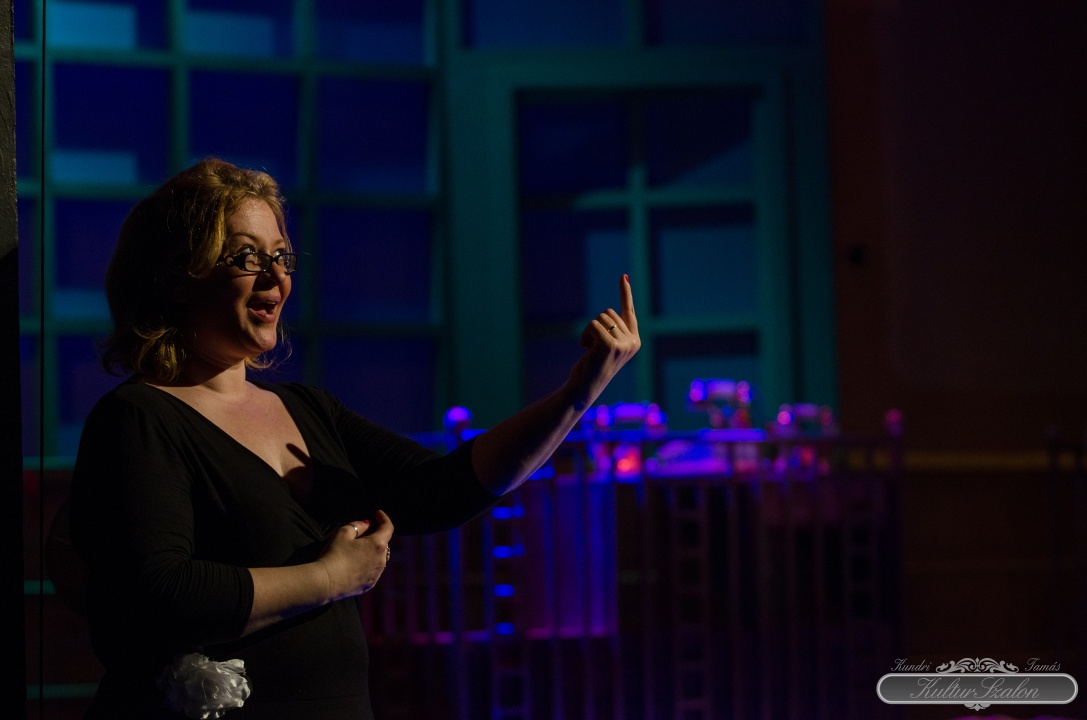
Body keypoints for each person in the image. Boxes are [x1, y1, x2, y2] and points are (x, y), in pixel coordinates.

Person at [65, 157, 639, 720]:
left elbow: (446, 489)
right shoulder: (139, 418)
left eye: (281, 256)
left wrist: (577, 394)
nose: (275, 276)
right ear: (178, 278)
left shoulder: (309, 409)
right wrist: (329, 578)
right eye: (246, 256)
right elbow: (160, 594)